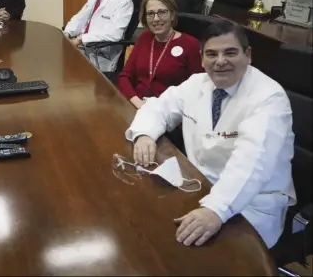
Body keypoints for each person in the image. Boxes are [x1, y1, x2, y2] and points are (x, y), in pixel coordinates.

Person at [125, 20, 295, 249]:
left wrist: (217, 208)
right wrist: (145, 134)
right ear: (202, 58)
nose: (220, 61)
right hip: (200, 186)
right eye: (212, 54)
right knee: (145, 229)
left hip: (251, 204)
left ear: (248, 55)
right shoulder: (198, 83)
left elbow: (253, 163)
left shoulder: (268, 98)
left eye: (230, 53)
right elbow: (159, 107)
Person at [118, 0, 203, 109]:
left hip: (170, 113)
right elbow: (125, 76)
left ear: (172, 15)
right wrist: (139, 104)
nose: (156, 19)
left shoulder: (190, 44)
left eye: (162, 12)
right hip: (137, 106)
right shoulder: (144, 38)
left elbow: (198, 90)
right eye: (150, 14)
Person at [63, 0, 133, 72]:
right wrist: (67, 33)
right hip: (84, 48)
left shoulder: (124, 0)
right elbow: (81, 17)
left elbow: (115, 34)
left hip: (99, 56)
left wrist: (81, 38)